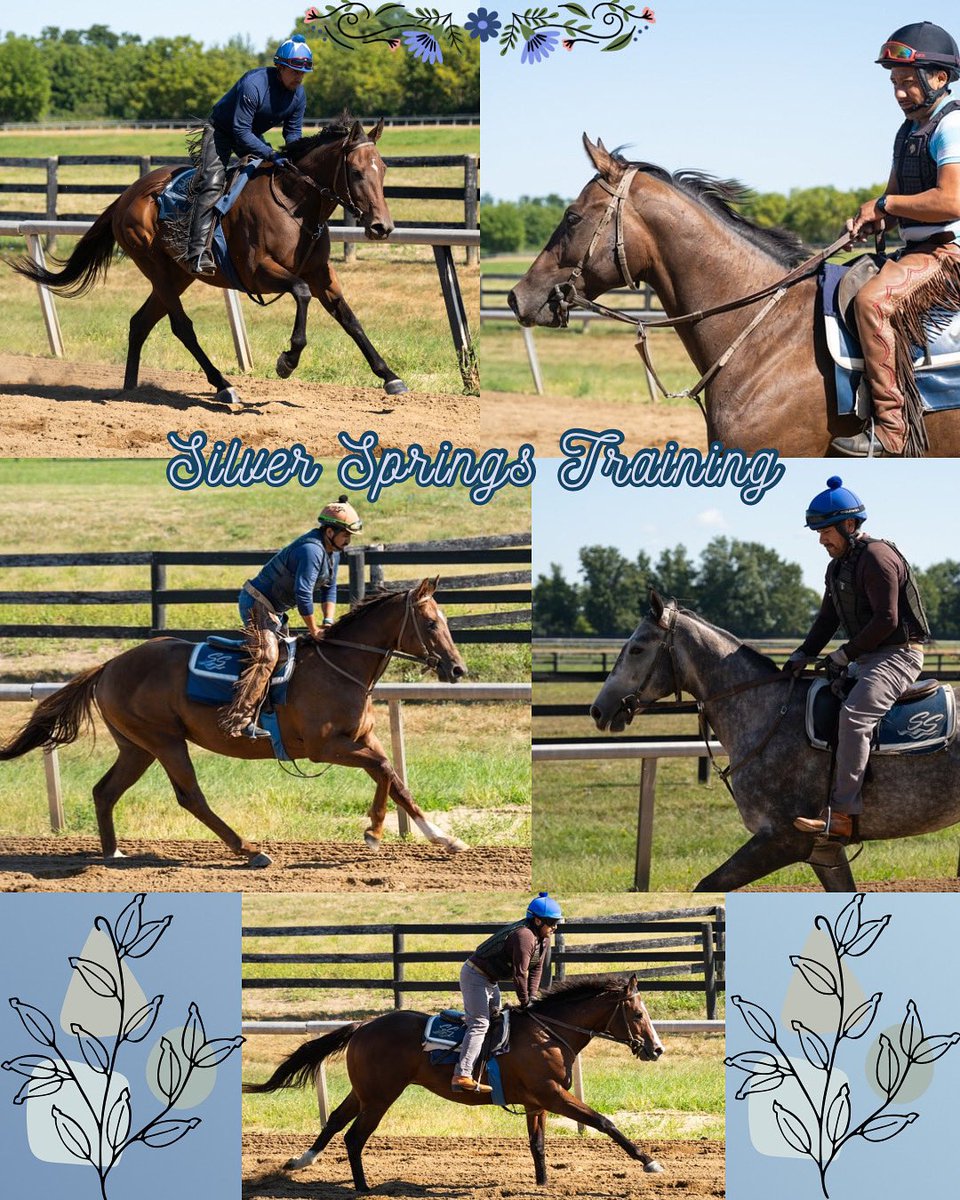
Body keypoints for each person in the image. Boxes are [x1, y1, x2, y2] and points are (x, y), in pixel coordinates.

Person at [833, 22, 960, 457]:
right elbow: (897, 199)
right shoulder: (907, 133)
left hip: (950, 253)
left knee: (873, 302)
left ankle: (892, 430)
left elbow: (951, 200)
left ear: (939, 78)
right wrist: (873, 219)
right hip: (918, 249)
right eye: (894, 82)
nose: (900, 92)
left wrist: (885, 206)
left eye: (908, 82)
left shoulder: (953, 125)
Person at [784, 477, 929, 839]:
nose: (821, 539)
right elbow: (827, 620)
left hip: (899, 655)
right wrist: (804, 653)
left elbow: (887, 620)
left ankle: (844, 817)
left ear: (850, 526)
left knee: (854, 717)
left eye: (826, 531)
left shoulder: (878, 558)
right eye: (818, 532)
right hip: (868, 657)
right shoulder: (837, 567)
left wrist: (845, 654)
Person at [219, 497, 362, 739]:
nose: (348, 540)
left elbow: (330, 588)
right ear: (330, 531)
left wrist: (328, 621)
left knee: (290, 659)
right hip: (257, 603)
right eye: (345, 534)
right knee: (268, 655)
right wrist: (314, 629)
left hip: (276, 611)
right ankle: (239, 719)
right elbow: (303, 593)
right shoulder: (311, 550)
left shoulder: (333, 552)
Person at [186, 35, 314, 275]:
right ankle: (197, 252)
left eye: (303, 73)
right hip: (221, 132)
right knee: (213, 184)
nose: (299, 77)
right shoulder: (253, 84)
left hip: (249, 133)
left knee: (271, 178)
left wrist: (297, 158)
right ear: (280, 67)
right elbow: (240, 132)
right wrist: (270, 153)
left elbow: (293, 132)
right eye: (295, 71)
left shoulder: (299, 94)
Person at [452, 892, 562, 1094]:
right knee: (480, 1023)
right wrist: (525, 1002)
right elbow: (520, 973)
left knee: (496, 1020)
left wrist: (533, 998)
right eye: (552, 923)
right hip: (475, 976)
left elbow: (536, 969)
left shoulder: (543, 939)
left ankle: (487, 1066)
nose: (555, 927)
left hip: (489, 980)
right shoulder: (525, 936)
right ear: (538, 921)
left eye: (557, 923)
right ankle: (462, 1075)